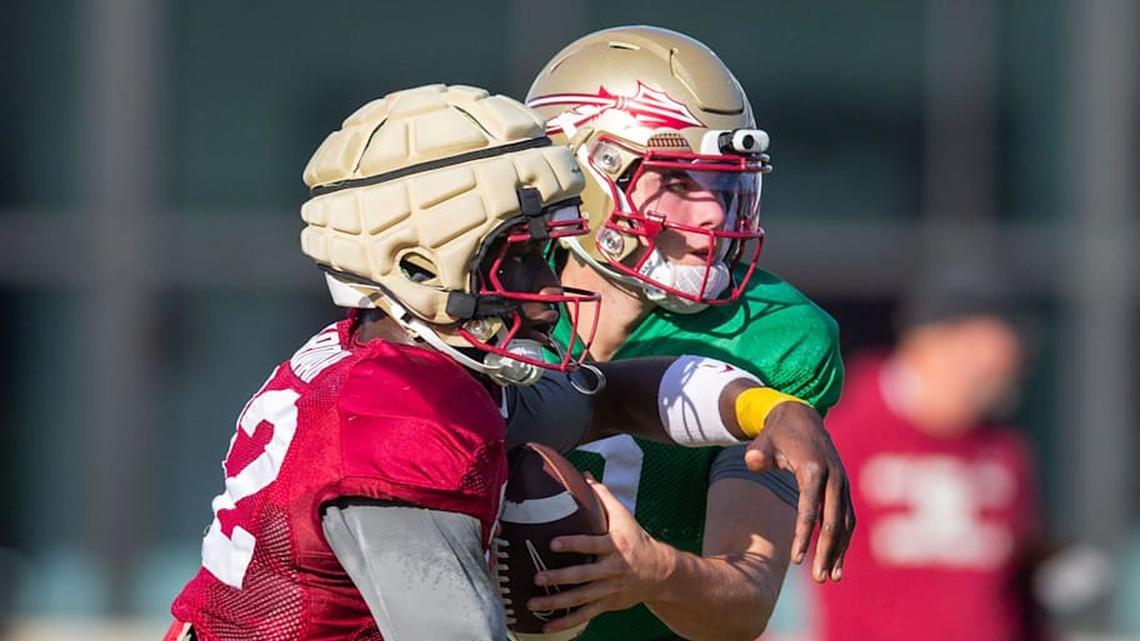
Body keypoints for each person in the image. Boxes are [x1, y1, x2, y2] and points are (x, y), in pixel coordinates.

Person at [165, 83, 852, 641]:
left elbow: (609, 396)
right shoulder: (398, 424)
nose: (550, 290)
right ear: (415, 264)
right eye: (517, 257)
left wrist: (769, 407)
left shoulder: (408, 361)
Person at [514, 26, 855, 641]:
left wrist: (656, 573)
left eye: (725, 183)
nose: (714, 217)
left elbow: (743, 603)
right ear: (578, 176)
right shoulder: (487, 305)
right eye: (676, 182)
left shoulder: (772, 333)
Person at [810, 270, 1045, 641]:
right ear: (940, 342)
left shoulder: (1004, 453)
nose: (1007, 367)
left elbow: (1022, 594)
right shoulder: (838, 433)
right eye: (992, 350)